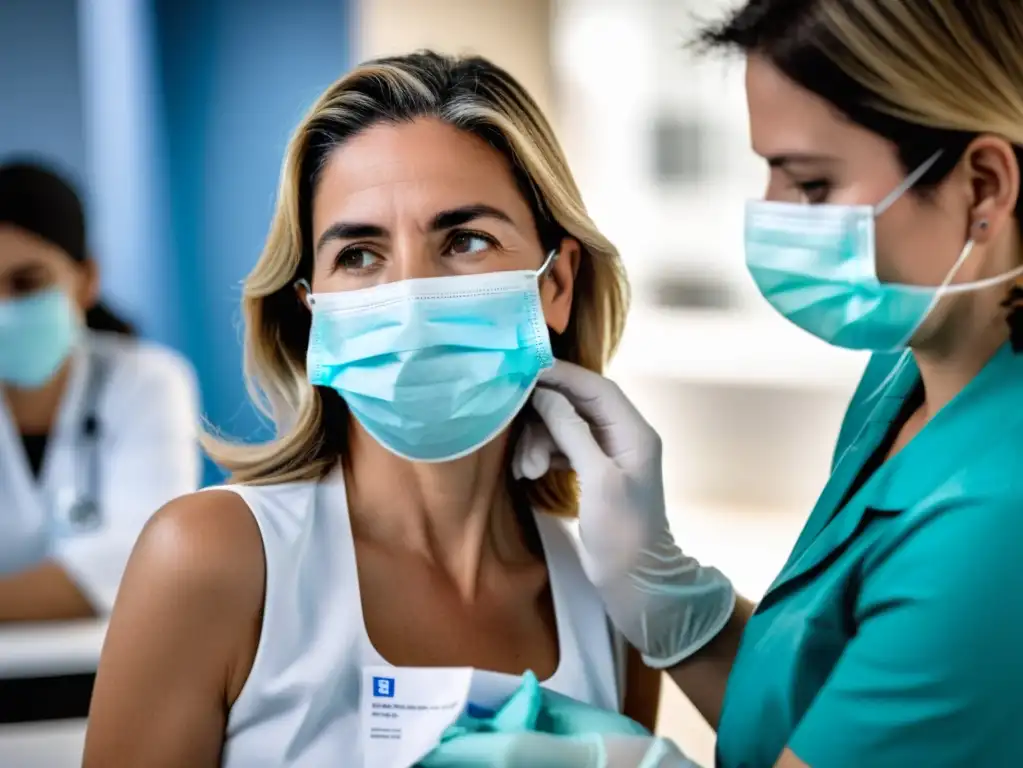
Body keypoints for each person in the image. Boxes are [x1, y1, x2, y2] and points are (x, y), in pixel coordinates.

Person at [83, 51, 664, 767]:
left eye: (466, 240)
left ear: (557, 283)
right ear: (312, 309)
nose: (410, 295)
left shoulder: (616, 600)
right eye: (359, 254)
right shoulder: (213, 561)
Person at [504, 2, 1023, 766]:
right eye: (768, 170)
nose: (772, 214)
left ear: (982, 187)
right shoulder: (906, 371)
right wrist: (673, 600)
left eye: (812, 185)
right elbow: (833, 699)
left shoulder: (995, 521)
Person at [0, 160, 201, 623]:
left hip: (108, 673)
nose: (5, 308)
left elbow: (140, 555)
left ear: (86, 278)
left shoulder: (147, 381)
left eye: (27, 282)